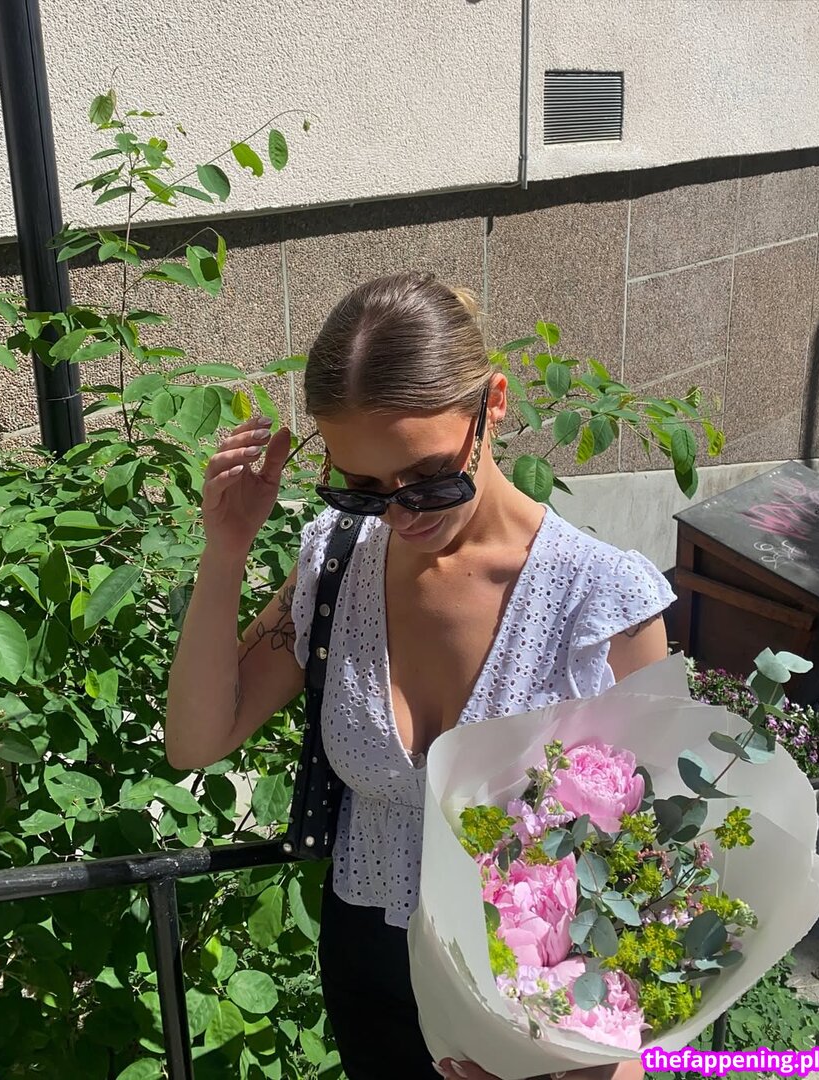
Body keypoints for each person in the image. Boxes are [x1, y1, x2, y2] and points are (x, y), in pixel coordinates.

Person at [165, 271, 674, 1080]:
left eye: (430, 476)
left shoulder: (601, 603)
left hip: (537, 1009)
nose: (402, 515)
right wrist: (224, 554)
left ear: (493, 405)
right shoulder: (336, 562)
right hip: (366, 972)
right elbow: (196, 741)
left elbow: (656, 871)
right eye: (362, 488)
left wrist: (596, 1060)